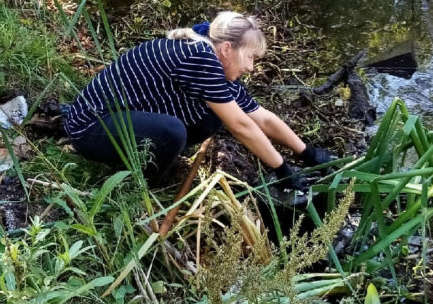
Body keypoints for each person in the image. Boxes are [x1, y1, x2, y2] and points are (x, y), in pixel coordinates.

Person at [64, 11, 337, 189]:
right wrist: (282, 169)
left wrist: (307, 153)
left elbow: (260, 117)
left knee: (211, 116)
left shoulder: (210, 55)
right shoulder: (201, 57)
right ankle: (140, 183)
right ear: (228, 49)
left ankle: (155, 157)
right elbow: (240, 126)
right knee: (173, 132)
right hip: (90, 129)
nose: (252, 67)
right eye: (251, 57)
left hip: (118, 120)